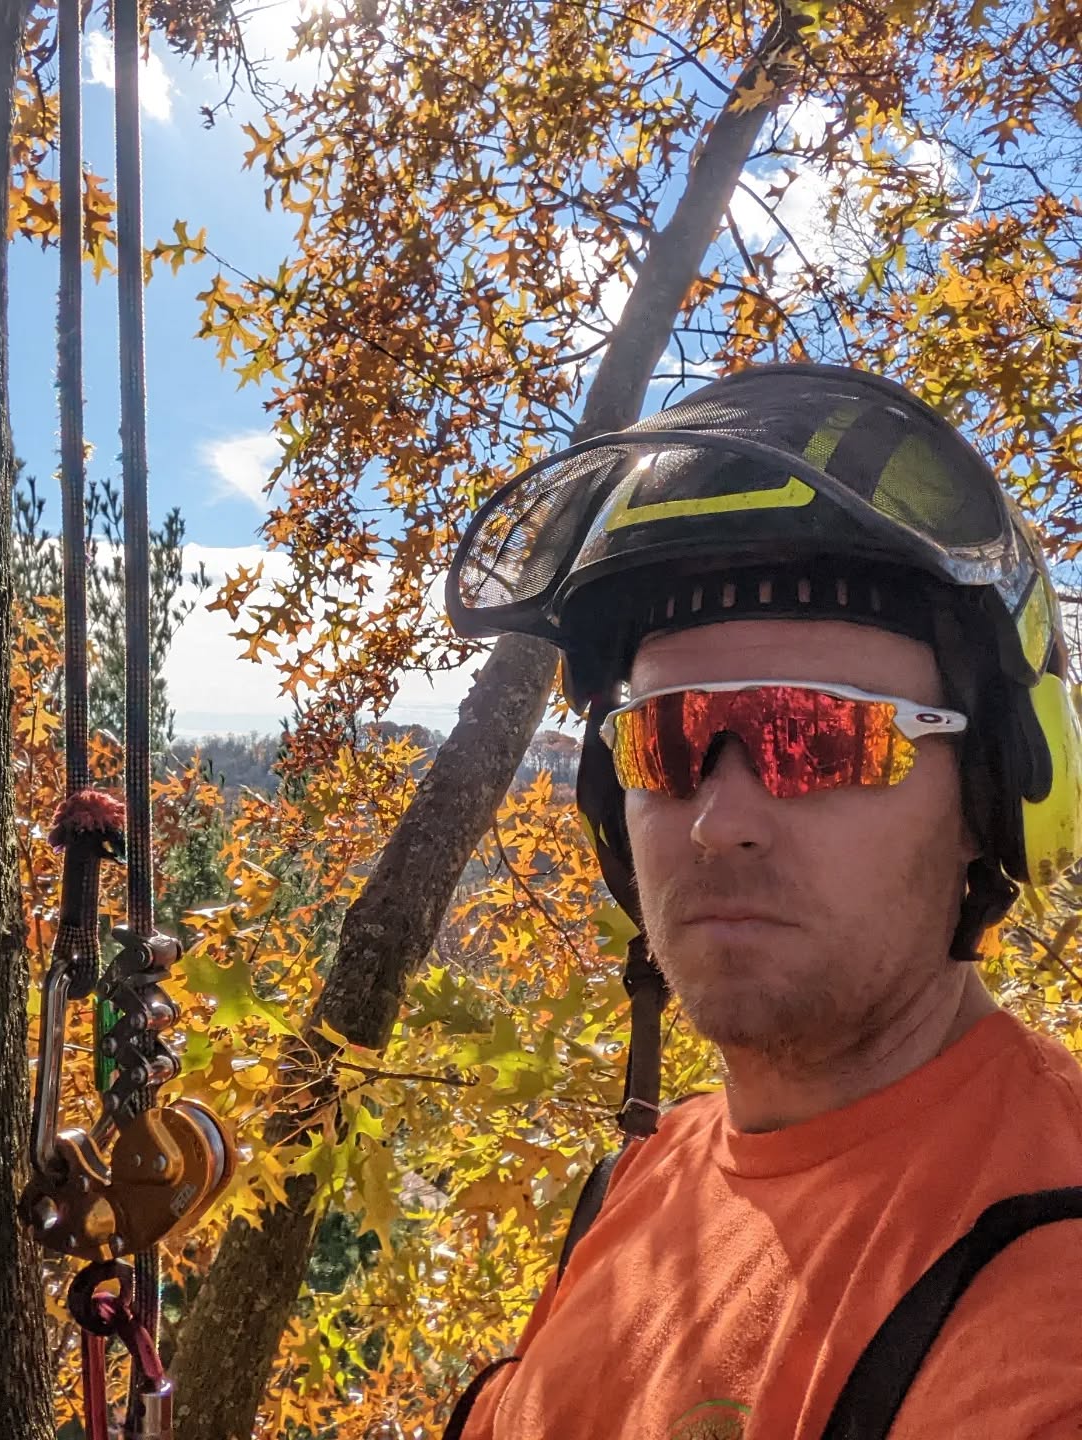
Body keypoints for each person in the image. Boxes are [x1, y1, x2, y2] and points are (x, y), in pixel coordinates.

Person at [441, 365, 1082, 1439]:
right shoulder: (632, 1192)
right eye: (668, 742)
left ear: (985, 805)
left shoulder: (1044, 1267)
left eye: (819, 738)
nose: (716, 821)